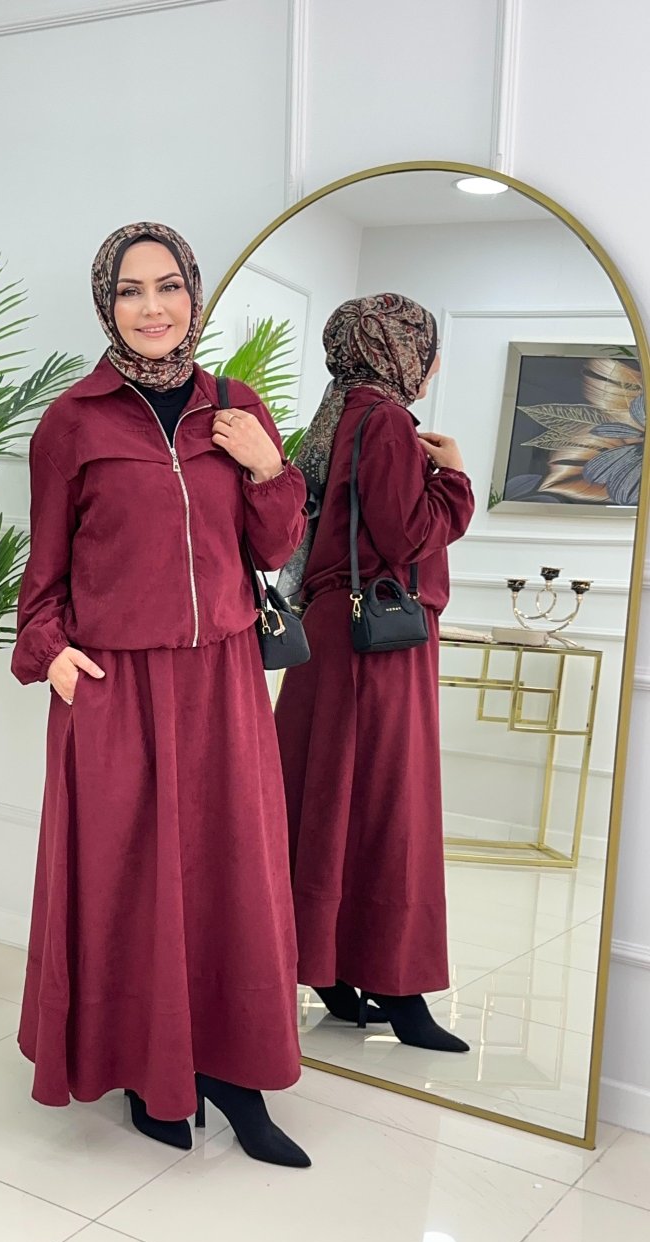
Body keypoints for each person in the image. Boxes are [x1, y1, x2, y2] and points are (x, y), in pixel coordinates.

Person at [10, 221, 311, 1166]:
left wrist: (268, 467)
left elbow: (275, 549)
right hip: (116, 690)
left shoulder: (236, 406)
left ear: (194, 293)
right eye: (131, 291)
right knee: (131, 886)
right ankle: (149, 1072)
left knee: (232, 878)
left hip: (222, 683)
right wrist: (52, 656)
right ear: (107, 305)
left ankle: (234, 1075)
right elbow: (43, 577)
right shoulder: (72, 423)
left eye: (168, 285)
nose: (153, 307)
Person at [275, 293, 475, 1052]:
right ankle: (396, 987)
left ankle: (328, 968)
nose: (432, 363)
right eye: (426, 347)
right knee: (390, 809)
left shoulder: (339, 416)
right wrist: (455, 480)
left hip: (334, 638)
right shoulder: (385, 420)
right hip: (380, 647)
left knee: (329, 801)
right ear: (400, 349)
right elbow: (405, 534)